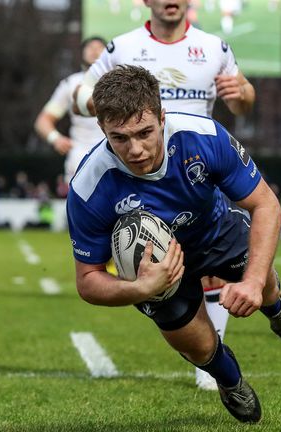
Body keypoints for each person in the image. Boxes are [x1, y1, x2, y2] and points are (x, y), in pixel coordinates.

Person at [67, 65, 281, 423]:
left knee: (263, 279)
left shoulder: (204, 136)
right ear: (102, 129)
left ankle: (275, 308)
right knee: (198, 344)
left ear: (162, 118)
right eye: (119, 138)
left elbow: (265, 204)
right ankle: (229, 380)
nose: (135, 149)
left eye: (145, 132)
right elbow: (87, 280)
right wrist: (140, 287)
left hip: (215, 231)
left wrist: (254, 283)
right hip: (154, 270)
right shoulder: (88, 187)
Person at [72, 0, 256, 390]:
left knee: (212, 262)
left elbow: (243, 103)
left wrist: (241, 92)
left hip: (195, 164)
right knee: (159, 265)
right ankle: (211, 357)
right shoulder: (120, 48)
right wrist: (101, 107)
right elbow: (81, 93)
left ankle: (217, 352)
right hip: (134, 175)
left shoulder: (213, 47)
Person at [35, 37, 107, 183]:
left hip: (114, 152)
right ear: (81, 53)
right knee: (80, 204)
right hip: (80, 154)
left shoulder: (117, 82)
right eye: (90, 47)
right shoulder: (70, 83)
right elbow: (43, 120)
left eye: (99, 47)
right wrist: (55, 138)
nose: (94, 50)